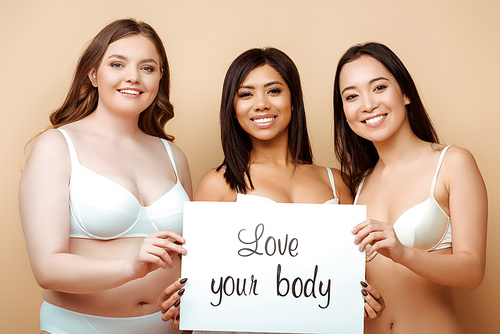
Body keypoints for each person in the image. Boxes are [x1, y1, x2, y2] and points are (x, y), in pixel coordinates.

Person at [158, 47, 385, 332]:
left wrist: (363, 300)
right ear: (232, 108)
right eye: (246, 94)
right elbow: (200, 288)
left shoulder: (336, 182)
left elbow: (351, 275)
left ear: (293, 101)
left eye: (273, 90)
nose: (261, 104)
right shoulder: (218, 184)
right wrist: (184, 304)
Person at [19, 19, 192, 334]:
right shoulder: (57, 146)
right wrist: (132, 268)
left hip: (167, 329)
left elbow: (186, 254)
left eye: (148, 68)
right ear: (93, 73)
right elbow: (47, 269)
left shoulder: (173, 156)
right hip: (82, 327)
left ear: (160, 77)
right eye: (117, 64)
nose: (133, 77)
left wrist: (194, 300)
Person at [333, 42, 487, 333]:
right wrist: (355, 298)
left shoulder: (452, 163)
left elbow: (473, 271)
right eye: (352, 96)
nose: (367, 104)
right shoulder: (357, 185)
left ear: (405, 93)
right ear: (344, 111)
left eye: (378, 88)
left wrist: (403, 252)